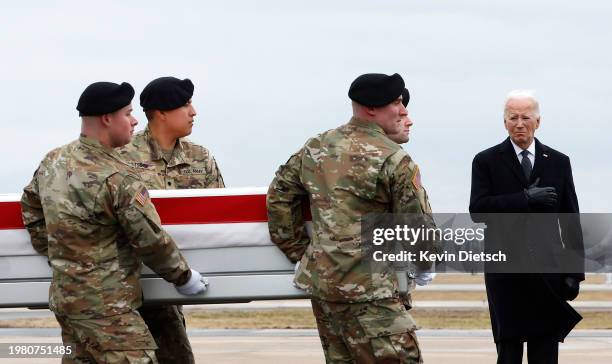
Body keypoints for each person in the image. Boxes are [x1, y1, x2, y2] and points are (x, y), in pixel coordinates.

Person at [20, 81, 208, 363]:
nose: (134, 121)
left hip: (67, 300)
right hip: (108, 308)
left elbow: (31, 206)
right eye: (128, 113)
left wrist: (60, 253)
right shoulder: (117, 176)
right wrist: (184, 277)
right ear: (108, 119)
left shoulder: (53, 161)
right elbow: (150, 239)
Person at [267, 73, 436, 363]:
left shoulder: (317, 147)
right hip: (375, 294)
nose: (403, 110)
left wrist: (302, 253)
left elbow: (279, 195)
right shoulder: (394, 158)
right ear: (372, 108)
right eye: (396, 102)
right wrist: (424, 264)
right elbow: (417, 226)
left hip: (326, 291)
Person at [469, 90, 584, 363]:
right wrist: (524, 199)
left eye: (525, 117)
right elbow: (478, 210)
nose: (519, 123)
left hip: (548, 271)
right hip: (505, 272)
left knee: (545, 350)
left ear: (538, 121)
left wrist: (574, 273)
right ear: (504, 122)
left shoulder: (558, 162)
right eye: (513, 117)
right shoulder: (486, 161)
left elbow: (571, 221)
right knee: (508, 350)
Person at [118, 76, 223, 363]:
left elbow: (219, 215)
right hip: (128, 281)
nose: (194, 111)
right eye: (186, 104)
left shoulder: (200, 158)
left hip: (177, 277)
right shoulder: (120, 157)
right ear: (162, 112)